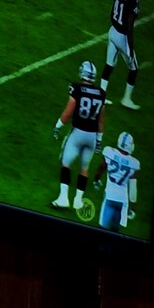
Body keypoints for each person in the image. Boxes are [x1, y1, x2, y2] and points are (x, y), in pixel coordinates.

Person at [50, 60, 107, 214]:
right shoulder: (101, 93)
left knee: (66, 163)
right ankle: (77, 201)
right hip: (92, 137)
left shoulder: (76, 89)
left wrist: (57, 126)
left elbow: (68, 112)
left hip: (78, 134)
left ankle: (63, 198)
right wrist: (99, 140)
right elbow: (101, 120)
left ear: (83, 73)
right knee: (84, 168)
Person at [101, 0, 143, 109]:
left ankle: (101, 96)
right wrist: (130, 49)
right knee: (134, 68)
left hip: (112, 31)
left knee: (109, 65)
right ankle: (126, 99)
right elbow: (130, 29)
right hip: (122, 37)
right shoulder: (133, 5)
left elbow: (116, 2)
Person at [97, 131, 139, 231]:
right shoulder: (134, 163)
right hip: (123, 201)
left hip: (110, 197)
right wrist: (133, 207)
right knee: (115, 232)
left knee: (102, 230)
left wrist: (96, 180)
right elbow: (133, 189)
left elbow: (101, 168)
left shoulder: (109, 152)